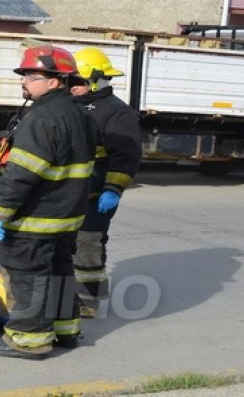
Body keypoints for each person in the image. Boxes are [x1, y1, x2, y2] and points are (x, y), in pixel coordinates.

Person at [0, 45, 97, 360]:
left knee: (28, 277)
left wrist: (0, 213)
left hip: (35, 218)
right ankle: (65, 330)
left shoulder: (42, 118)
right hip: (66, 217)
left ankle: (28, 340)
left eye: (31, 76)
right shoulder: (81, 114)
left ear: (54, 81)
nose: (24, 82)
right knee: (60, 271)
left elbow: (21, 174)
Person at [70, 47, 142, 318]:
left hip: (96, 194)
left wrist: (113, 189)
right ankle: (64, 295)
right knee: (65, 246)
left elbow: (126, 157)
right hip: (66, 193)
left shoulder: (117, 112)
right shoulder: (70, 105)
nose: (72, 86)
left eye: (77, 80)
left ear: (97, 79)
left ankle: (88, 301)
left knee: (88, 244)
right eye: (69, 80)